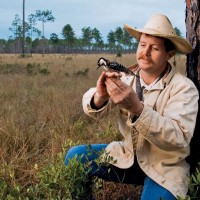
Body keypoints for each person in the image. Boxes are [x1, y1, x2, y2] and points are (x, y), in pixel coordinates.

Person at [65, 14, 199, 199]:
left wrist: (138, 109)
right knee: (75, 157)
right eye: (142, 45)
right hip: (128, 156)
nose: (145, 52)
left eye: (154, 48)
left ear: (169, 55)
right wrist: (100, 96)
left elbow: (178, 137)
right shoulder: (125, 77)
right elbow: (91, 106)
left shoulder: (183, 88)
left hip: (165, 167)